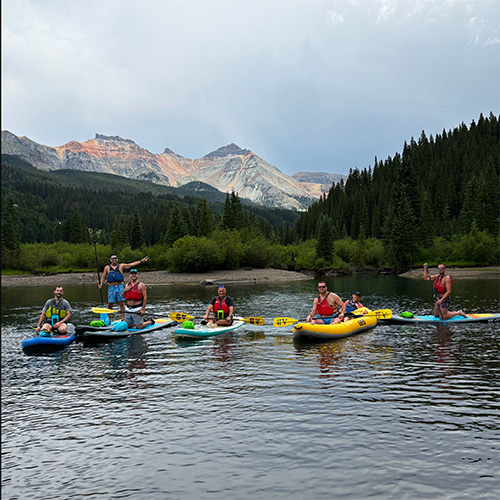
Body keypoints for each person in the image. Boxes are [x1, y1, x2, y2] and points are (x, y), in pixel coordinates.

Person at [99, 254, 149, 320]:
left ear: (117, 259)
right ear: (110, 260)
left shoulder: (121, 266)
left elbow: (131, 264)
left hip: (119, 286)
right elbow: (103, 277)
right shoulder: (107, 268)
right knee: (110, 303)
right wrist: (101, 284)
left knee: (121, 302)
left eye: (115, 258)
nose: (114, 259)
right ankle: (108, 318)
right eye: (112, 258)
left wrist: (141, 261)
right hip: (111, 287)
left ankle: (123, 317)